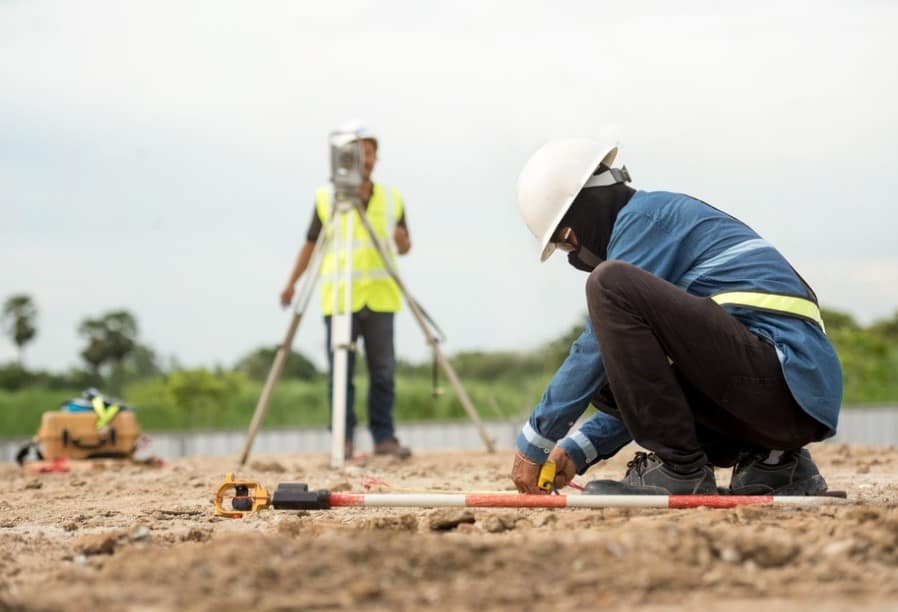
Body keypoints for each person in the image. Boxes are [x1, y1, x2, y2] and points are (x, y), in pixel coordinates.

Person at [510, 138, 842, 495]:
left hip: (783, 380)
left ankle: (681, 470)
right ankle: (774, 463)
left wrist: (535, 441)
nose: (573, 254)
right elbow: (646, 382)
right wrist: (577, 450)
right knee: (611, 370)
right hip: (784, 394)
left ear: (577, 220)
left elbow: (591, 351)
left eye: (565, 241)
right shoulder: (661, 220)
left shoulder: (644, 221)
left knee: (608, 286)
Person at [280, 122, 412, 459]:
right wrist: (291, 282)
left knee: (383, 372)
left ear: (375, 159)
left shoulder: (392, 198)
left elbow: (405, 244)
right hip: (340, 298)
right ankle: (343, 438)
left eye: (368, 153)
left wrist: (402, 242)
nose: (363, 159)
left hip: (381, 297)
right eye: (357, 152)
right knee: (341, 372)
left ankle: (384, 437)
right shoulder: (327, 198)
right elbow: (311, 243)